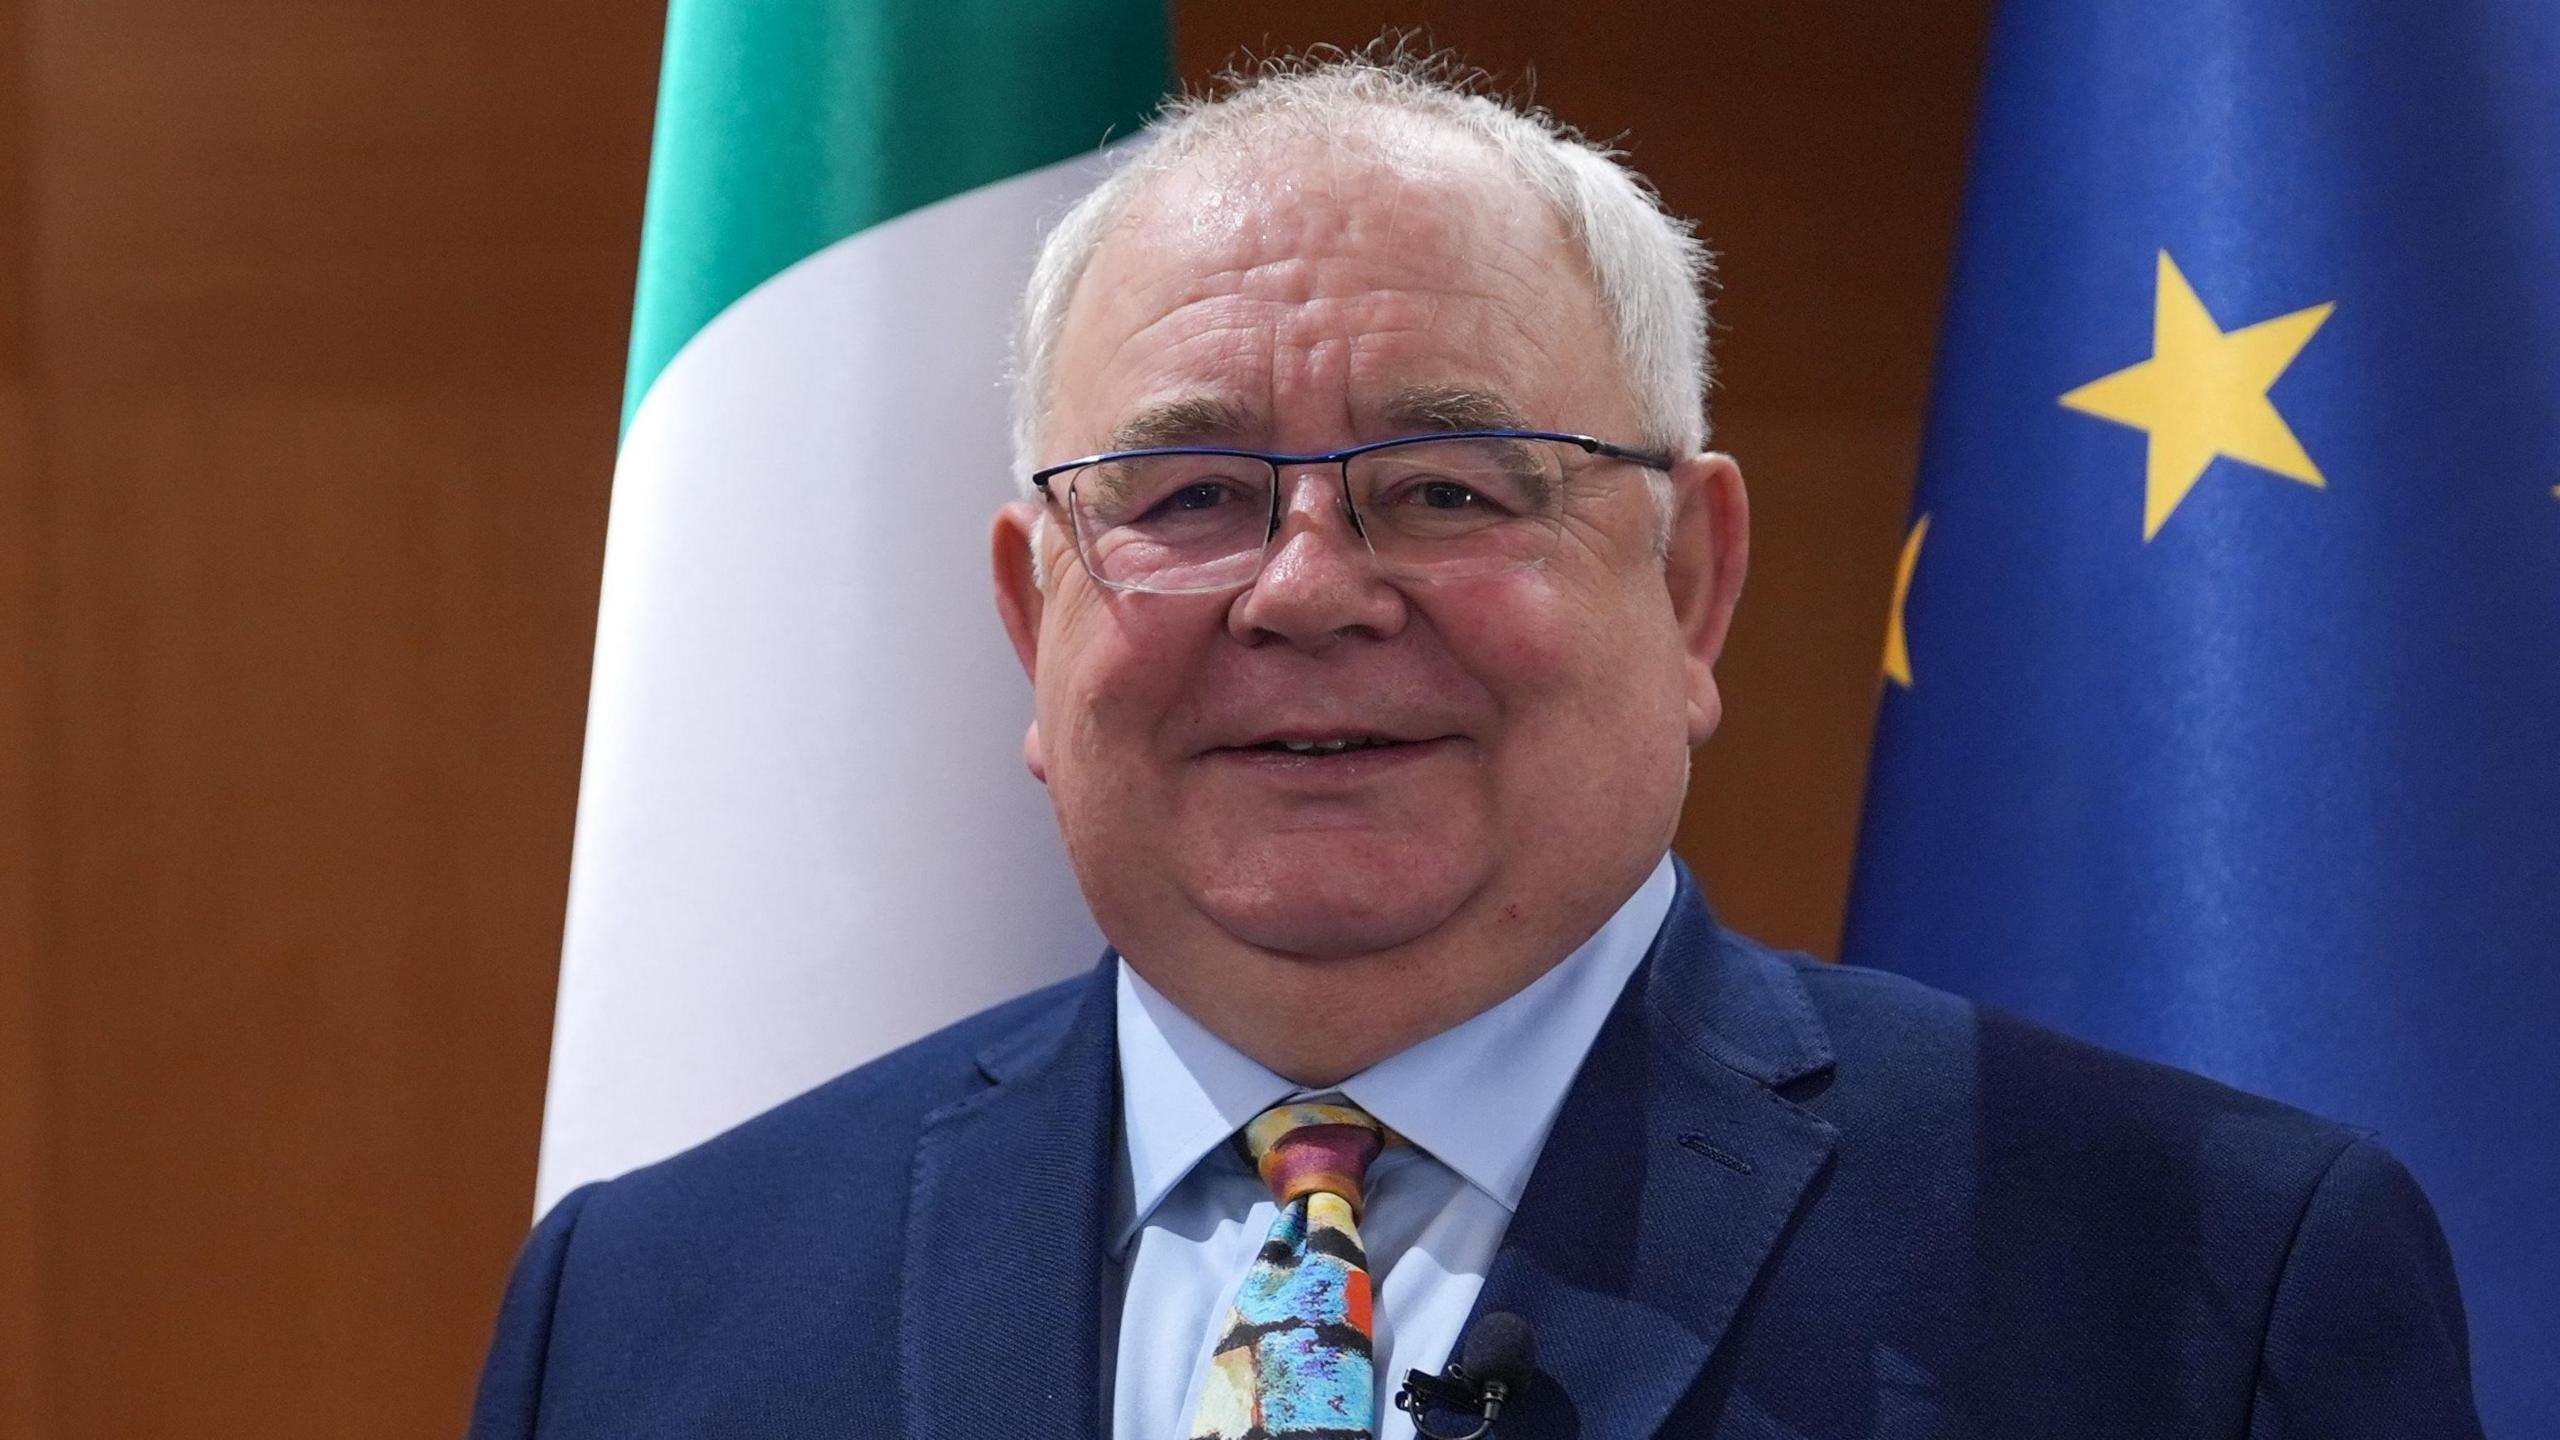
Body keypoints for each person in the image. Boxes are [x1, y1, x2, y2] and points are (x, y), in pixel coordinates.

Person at [469, 52, 2481, 1439]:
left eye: (1443, 488)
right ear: (1030, 611)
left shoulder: (2200, 1280)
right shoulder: (651, 1310)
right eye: (1184, 499)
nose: (1306, 588)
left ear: (1688, 581)